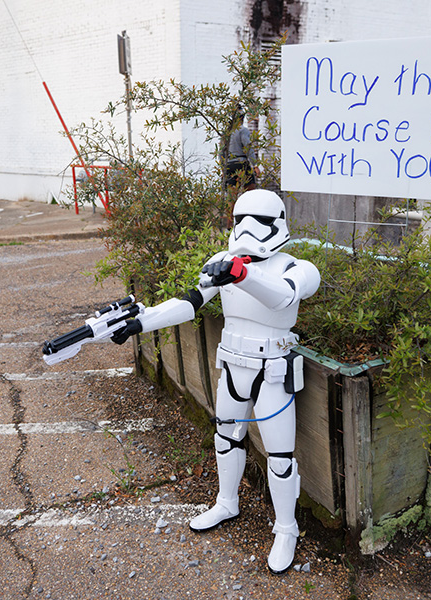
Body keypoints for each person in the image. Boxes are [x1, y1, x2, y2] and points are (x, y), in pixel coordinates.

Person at [111, 189, 320, 574]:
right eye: (239, 221)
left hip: (272, 372)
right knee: (226, 437)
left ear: (278, 223)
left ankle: (286, 529)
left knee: (280, 457)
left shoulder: (298, 268)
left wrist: (242, 272)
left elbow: (281, 299)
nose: (246, 231)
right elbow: (189, 302)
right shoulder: (223, 263)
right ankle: (227, 501)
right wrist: (140, 323)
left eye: (257, 222)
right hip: (234, 366)